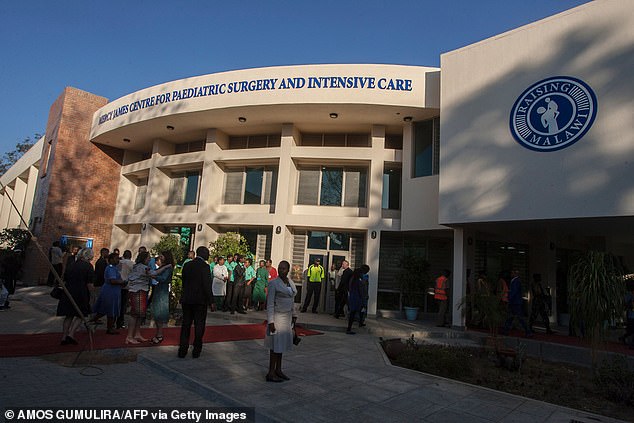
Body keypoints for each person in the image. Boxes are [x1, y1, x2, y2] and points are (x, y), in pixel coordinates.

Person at [265, 260, 297, 382]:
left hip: (287, 318)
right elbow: (270, 304)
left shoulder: (291, 283)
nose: (281, 270)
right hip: (277, 318)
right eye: (279, 268)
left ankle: (278, 369)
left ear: (288, 270)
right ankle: (271, 372)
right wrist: (271, 321)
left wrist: (294, 315)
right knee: (274, 346)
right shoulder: (273, 283)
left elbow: (292, 300)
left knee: (281, 346)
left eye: (283, 268)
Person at [178, 246, 213, 358]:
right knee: (199, 325)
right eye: (208, 253)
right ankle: (196, 349)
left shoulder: (187, 265)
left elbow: (184, 280)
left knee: (186, 324)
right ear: (204, 254)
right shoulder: (205, 267)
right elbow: (207, 285)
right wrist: (211, 301)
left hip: (187, 298)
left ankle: (182, 349)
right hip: (200, 300)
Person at [56, 248, 95, 345]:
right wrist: (93, 295)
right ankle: (71, 334)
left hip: (69, 292)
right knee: (81, 315)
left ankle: (64, 337)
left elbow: (64, 279)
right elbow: (89, 284)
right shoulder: (88, 267)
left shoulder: (72, 265)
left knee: (69, 315)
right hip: (81, 293)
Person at [92, 253, 127, 334]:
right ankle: (110, 327)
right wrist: (122, 282)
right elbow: (112, 280)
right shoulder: (111, 268)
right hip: (110, 291)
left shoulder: (114, 268)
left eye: (118, 258)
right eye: (116, 258)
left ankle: (108, 325)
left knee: (109, 309)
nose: (118, 260)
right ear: (110, 259)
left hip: (114, 290)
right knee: (110, 309)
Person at [125, 251, 151, 344]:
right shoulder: (142, 267)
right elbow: (153, 274)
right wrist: (166, 267)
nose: (149, 259)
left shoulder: (137, 266)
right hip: (138, 290)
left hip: (140, 290)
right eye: (148, 257)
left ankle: (137, 333)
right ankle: (129, 336)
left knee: (140, 314)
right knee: (135, 314)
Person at [149, 251, 174, 344]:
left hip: (162, 289)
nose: (160, 257)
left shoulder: (168, 268)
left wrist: (155, 277)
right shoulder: (164, 266)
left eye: (162, 256)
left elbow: (163, 278)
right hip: (159, 288)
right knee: (156, 311)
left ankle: (159, 334)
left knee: (160, 311)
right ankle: (158, 333)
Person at [502, 270, 532, 337]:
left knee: (519, 317)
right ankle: (505, 330)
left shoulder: (516, 281)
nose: (511, 274)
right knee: (510, 317)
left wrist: (509, 297)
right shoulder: (516, 281)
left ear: (515, 274)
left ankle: (528, 331)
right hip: (515, 302)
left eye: (512, 273)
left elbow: (514, 292)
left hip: (515, 302)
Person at [346, 265, 370, 334]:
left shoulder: (353, 278)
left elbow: (350, 287)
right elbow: (362, 290)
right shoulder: (359, 279)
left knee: (353, 312)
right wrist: (364, 297)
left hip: (352, 296)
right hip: (358, 298)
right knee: (358, 310)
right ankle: (350, 328)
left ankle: (356, 325)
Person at [116, 250, 134, 329]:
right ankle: (120, 322)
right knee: (123, 305)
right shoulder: (131, 264)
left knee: (117, 304)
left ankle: (114, 321)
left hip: (118, 284)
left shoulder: (119, 262)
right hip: (126, 286)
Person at [92, 248, 109, 317]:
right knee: (97, 299)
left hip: (99, 283)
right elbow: (101, 273)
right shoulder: (101, 262)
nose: (108, 254)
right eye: (107, 253)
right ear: (103, 253)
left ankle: (96, 315)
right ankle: (95, 315)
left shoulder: (102, 261)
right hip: (99, 283)